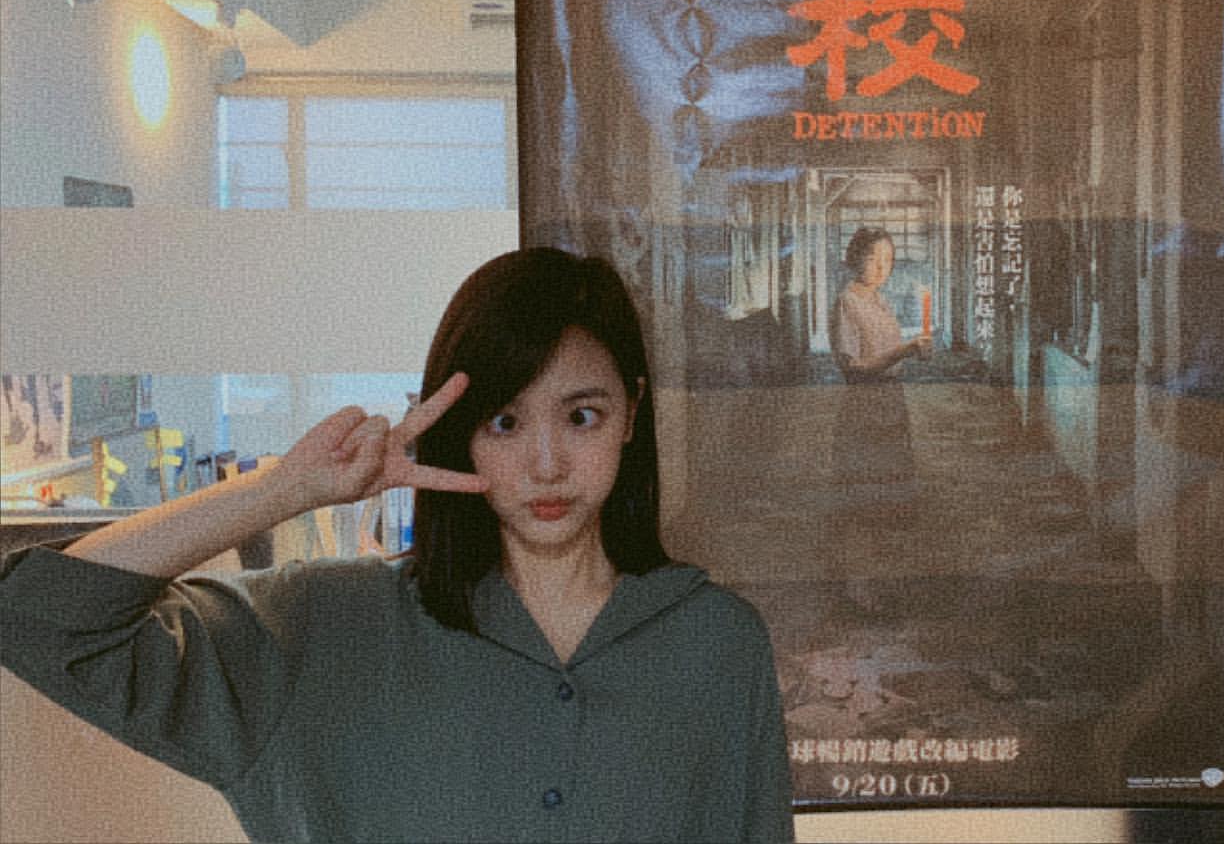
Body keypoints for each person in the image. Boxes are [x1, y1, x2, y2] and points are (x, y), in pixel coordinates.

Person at [0, 248, 794, 844]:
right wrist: (281, 490)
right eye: (504, 422)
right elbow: (40, 619)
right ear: (460, 430)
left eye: (581, 416)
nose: (547, 463)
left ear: (631, 414)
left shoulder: (716, 642)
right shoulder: (322, 628)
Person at [829, 227, 930, 497]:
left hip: (891, 398)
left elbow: (886, 348)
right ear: (855, 258)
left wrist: (916, 349)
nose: (882, 267)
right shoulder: (847, 302)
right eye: (873, 258)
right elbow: (853, 369)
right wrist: (905, 350)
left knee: (895, 482)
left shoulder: (879, 299)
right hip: (864, 404)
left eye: (888, 259)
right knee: (869, 483)